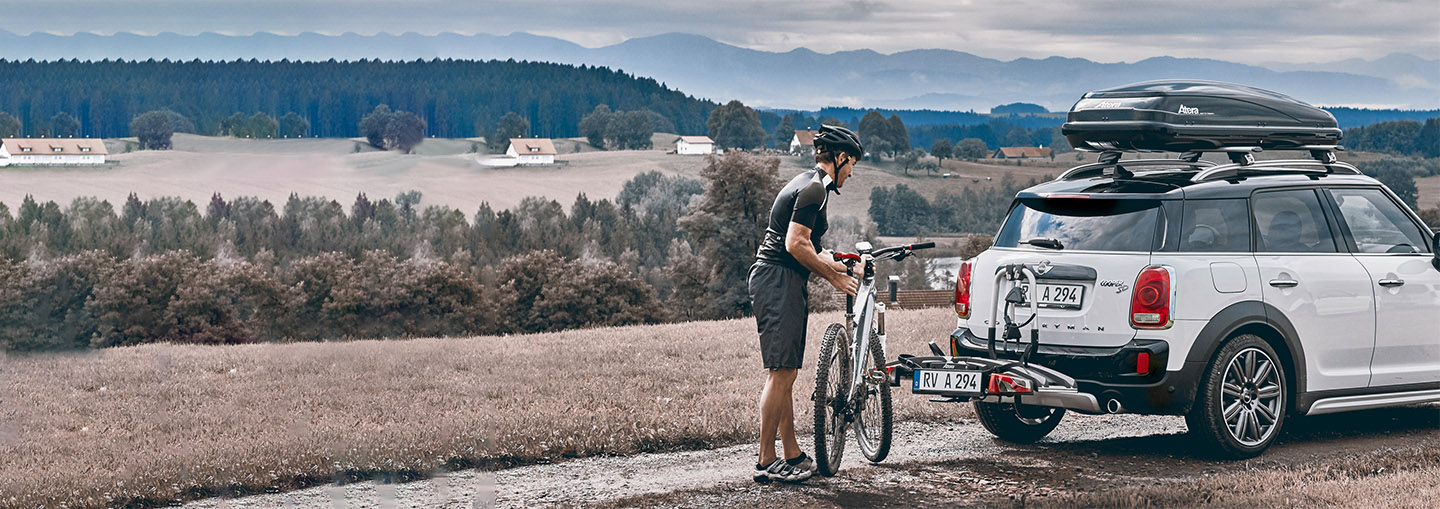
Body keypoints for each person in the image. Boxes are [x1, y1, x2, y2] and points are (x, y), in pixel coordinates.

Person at [748, 124, 863, 482]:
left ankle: (791, 453)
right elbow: (795, 245)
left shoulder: (810, 183)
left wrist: (841, 263)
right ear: (841, 158)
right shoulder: (815, 190)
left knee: (786, 372)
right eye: (852, 164)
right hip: (777, 279)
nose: (852, 172)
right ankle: (767, 462)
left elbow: (810, 246)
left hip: (781, 279)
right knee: (781, 372)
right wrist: (834, 277)